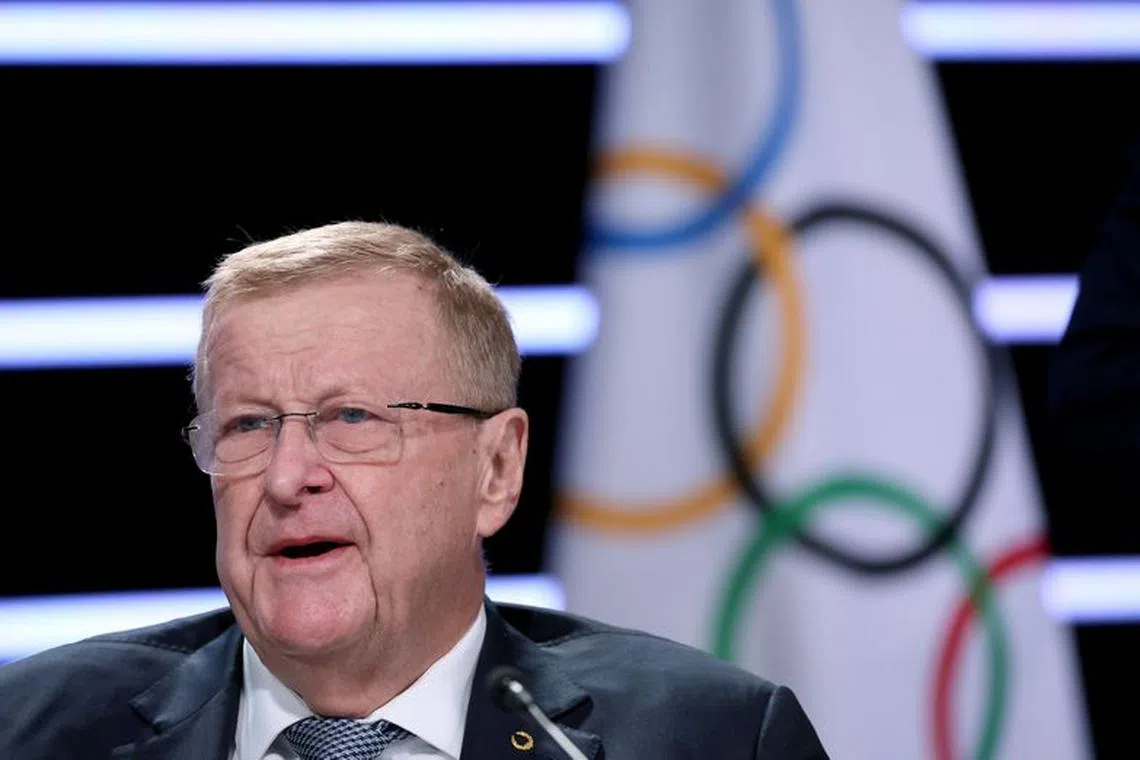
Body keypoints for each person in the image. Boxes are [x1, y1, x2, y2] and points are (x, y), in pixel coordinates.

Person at [0, 221, 829, 759]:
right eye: (248, 426)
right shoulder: (33, 731)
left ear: (496, 469)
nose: (288, 478)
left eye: (352, 418)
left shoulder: (712, 740)